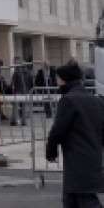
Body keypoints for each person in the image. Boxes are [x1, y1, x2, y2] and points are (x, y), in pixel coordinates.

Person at [46, 61, 104, 208]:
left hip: (76, 157)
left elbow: (58, 130)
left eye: (58, 79)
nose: (56, 82)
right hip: (93, 156)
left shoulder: (68, 100)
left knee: (85, 198)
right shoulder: (97, 101)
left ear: (64, 80)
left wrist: (51, 150)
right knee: (72, 198)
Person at [10, 57, 34, 126]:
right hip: (26, 91)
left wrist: (12, 89)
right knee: (24, 106)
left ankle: (14, 121)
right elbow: (31, 83)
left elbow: (13, 83)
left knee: (15, 106)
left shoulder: (16, 72)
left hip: (18, 91)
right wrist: (29, 90)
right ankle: (24, 121)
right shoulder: (29, 72)